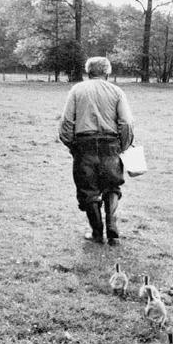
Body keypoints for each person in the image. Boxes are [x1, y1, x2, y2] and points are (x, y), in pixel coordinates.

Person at [58, 56, 134, 245]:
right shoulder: (117, 91)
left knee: (88, 191)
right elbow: (126, 122)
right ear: (107, 72)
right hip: (111, 146)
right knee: (112, 187)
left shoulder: (77, 90)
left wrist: (72, 146)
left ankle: (97, 232)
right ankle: (112, 228)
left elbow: (66, 122)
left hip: (84, 146)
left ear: (88, 72)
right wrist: (123, 147)